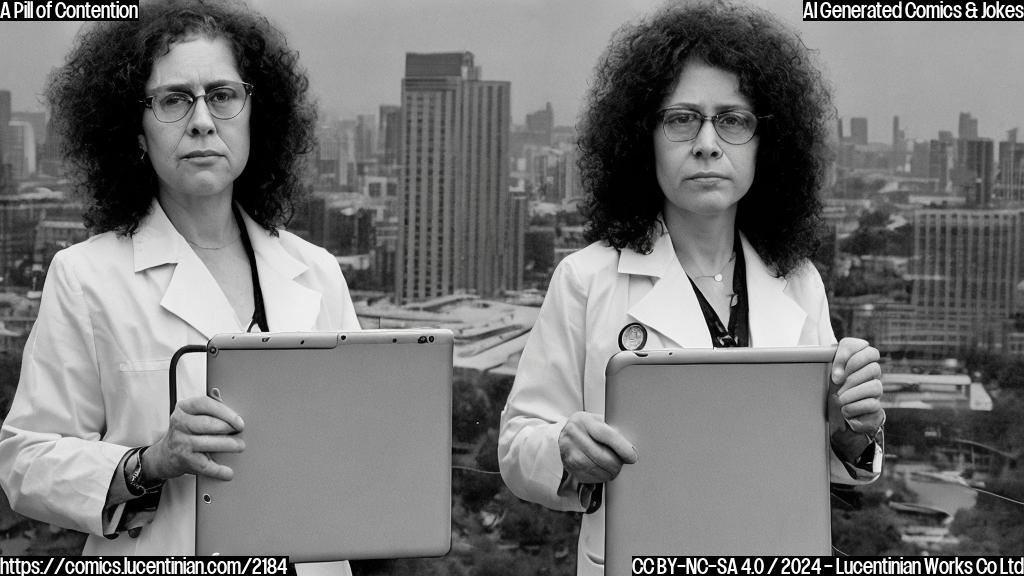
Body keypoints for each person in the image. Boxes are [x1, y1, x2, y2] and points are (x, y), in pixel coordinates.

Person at [498, 2, 886, 574]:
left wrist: (854, 428)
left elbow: (830, 461)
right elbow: (515, 444)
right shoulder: (587, 279)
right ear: (643, 137)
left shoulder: (799, 283)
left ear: (765, 143)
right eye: (681, 119)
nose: (708, 143)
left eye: (733, 120)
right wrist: (561, 447)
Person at [0, 0, 360, 570]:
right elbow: (25, 460)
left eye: (222, 95)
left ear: (252, 115)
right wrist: (150, 462)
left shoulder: (315, 271)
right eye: (173, 100)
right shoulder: (86, 277)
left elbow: (356, 445)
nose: (201, 120)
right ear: (135, 132)